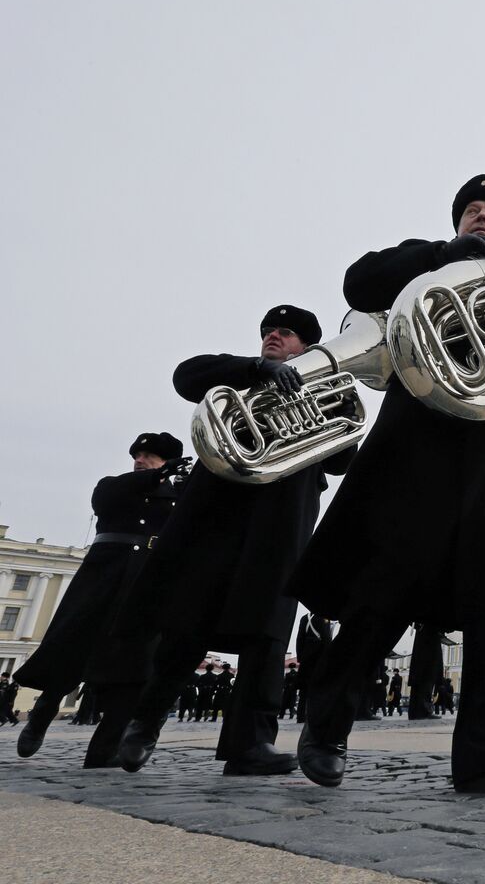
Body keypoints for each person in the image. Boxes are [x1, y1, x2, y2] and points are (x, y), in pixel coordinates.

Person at [290, 175, 485, 796]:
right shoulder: (423, 260)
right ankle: (328, 718)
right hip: (419, 436)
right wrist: (440, 257)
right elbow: (358, 282)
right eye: (472, 210)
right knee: (388, 581)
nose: (482, 216)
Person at [115, 305, 357, 777]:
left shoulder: (326, 386)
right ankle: (144, 725)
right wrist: (256, 370)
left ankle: (250, 744)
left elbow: (340, 462)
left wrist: (343, 413)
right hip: (219, 508)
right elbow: (187, 376)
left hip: (283, 512)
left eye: (285, 333)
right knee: (190, 618)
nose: (273, 336)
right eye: (268, 331)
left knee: (268, 628)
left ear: (305, 345)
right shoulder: (240, 377)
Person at [14, 432, 184, 764]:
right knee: (74, 647)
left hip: (146, 579)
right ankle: (42, 713)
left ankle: (105, 751)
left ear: (166, 461)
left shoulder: (177, 495)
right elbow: (104, 500)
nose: (139, 459)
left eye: (149, 456)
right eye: (138, 454)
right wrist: (155, 475)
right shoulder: (114, 485)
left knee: (135, 662)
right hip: (104, 573)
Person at [294, 613, 335, 724]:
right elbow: (326, 637)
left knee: (304, 690)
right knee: (318, 687)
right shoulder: (324, 617)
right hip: (319, 656)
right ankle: (314, 715)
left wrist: (300, 657)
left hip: (306, 656)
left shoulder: (304, 618)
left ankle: (300, 716)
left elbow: (299, 638)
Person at [407, 625, 445, 720]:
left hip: (424, 636)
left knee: (422, 677)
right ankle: (423, 710)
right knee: (428, 674)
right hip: (430, 636)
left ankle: (415, 711)